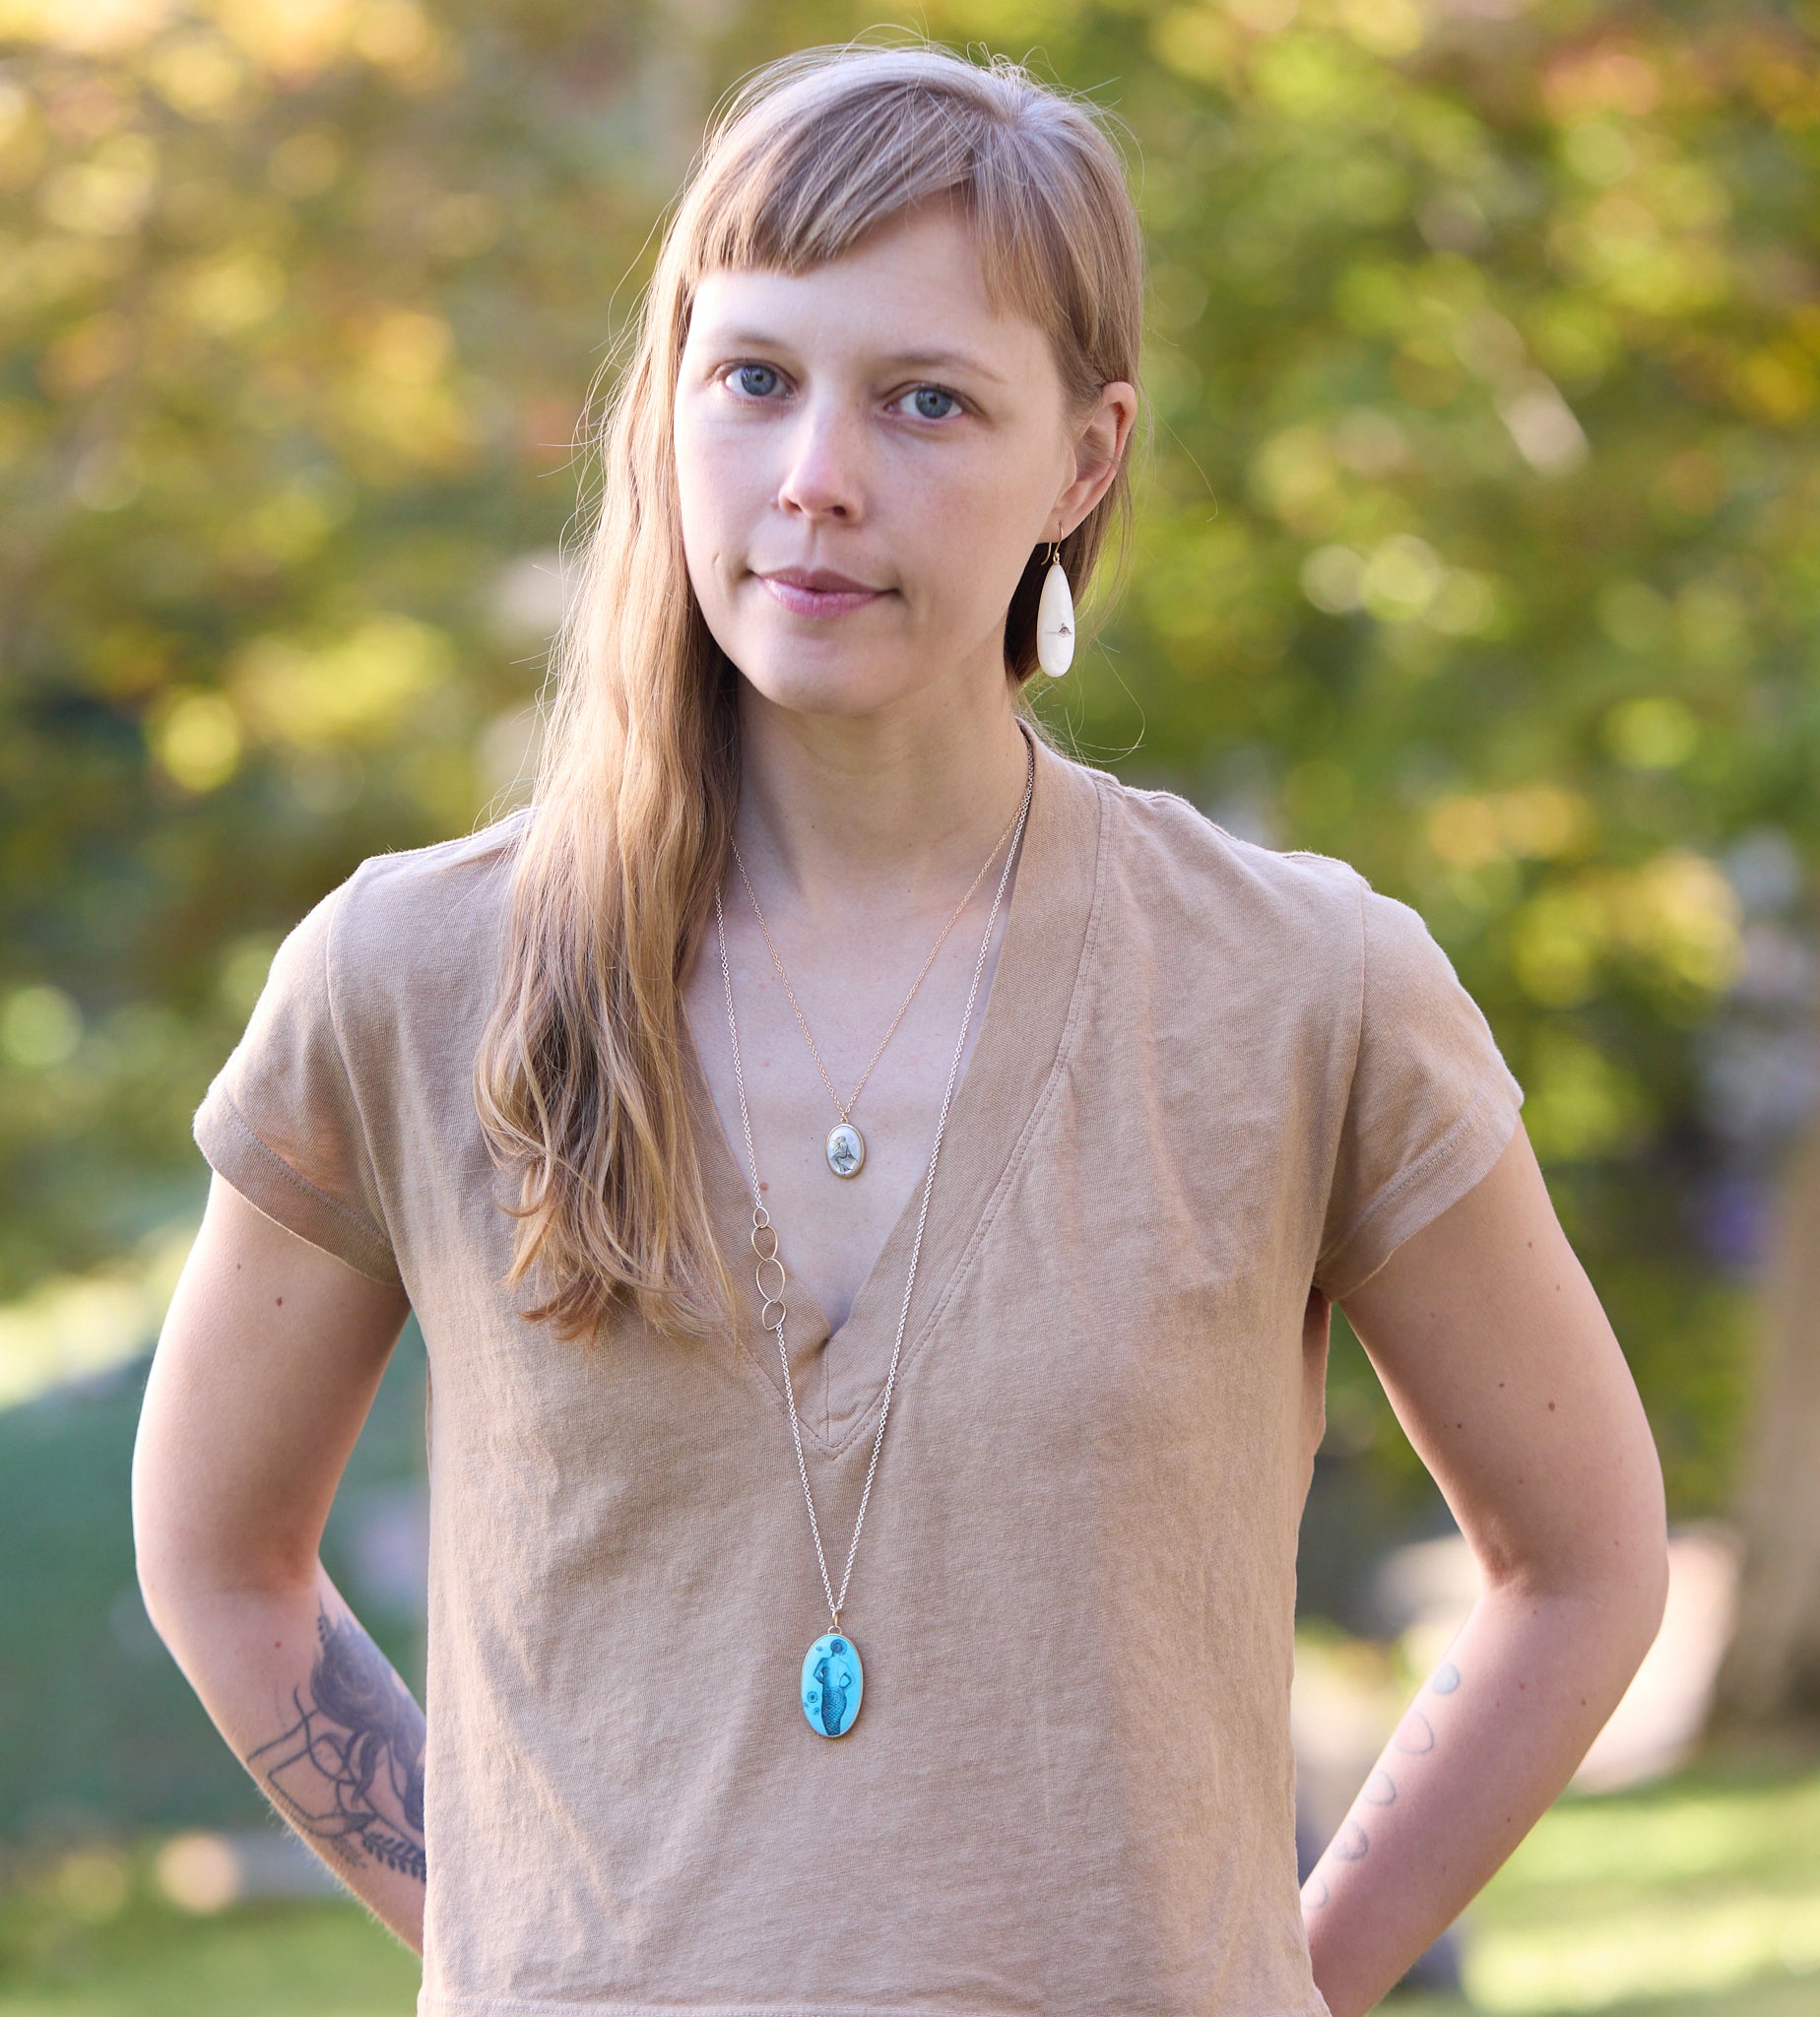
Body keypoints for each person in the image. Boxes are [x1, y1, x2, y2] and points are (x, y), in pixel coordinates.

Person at [132, 39, 1670, 2017]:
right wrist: (524, 1948)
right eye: (754, 375)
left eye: (924, 400)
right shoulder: (410, 976)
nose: (816, 478)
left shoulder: (1304, 992)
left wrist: (1296, 1974)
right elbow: (219, 1553)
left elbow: (1584, 1559)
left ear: (1084, 460)